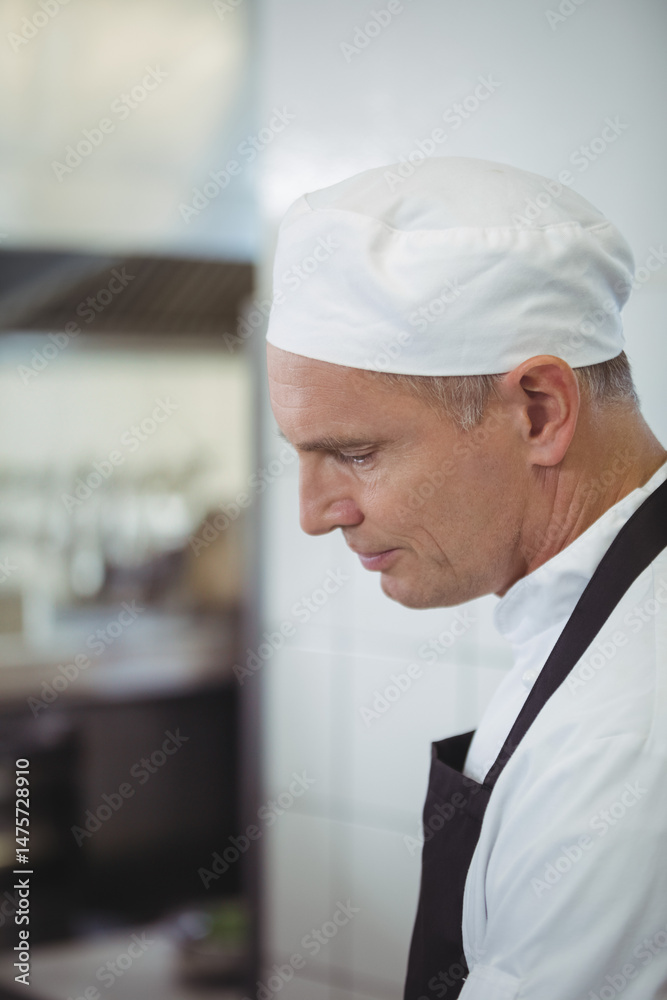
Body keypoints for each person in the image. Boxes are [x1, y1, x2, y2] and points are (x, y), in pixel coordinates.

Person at [264, 157, 667, 999]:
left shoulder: (620, 747)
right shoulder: (599, 618)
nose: (313, 514)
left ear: (539, 412)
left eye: (355, 453)